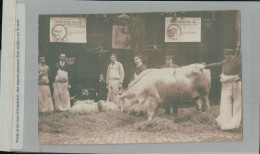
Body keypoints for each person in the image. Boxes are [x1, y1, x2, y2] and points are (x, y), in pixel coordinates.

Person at [200, 48, 242, 131]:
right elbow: (216, 64)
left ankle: (234, 125)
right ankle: (225, 125)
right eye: (225, 54)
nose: (226, 56)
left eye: (228, 54)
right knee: (225, 104)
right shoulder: (225, 61)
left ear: (232, 54)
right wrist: (204, 66)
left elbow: (245, 69)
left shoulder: (238, 61)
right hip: (225, 84)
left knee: (237, 104)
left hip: (235, 84)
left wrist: (239, 77)